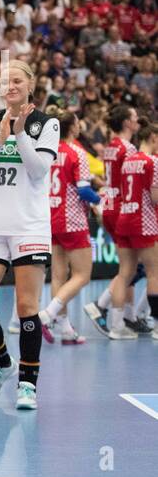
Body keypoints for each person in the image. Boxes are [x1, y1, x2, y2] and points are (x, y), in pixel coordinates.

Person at [0, 60, 59, 410]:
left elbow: (38, 172)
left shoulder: (47, 123)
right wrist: (0, 139)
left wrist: (20, 134)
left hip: (29, 227)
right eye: (6, 82)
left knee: (26, 307)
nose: (11, 86)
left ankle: (28, 384)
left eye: (17, 80)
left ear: (30, 84)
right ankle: (3, 363)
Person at [40, 107, 96, 344]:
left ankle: (65, 330)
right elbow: (83, 190)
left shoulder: (47, 150)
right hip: (72, 219)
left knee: (58, 275)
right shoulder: (77, 152)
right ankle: (48, 314)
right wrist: (101, 199)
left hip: (49, 217)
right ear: (73, 127)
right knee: (83, 275)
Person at [85, 104, 140, 336]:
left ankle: (127, 315)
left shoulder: (110, 147)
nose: (137, 120)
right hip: (121, 207)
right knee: (130, 267)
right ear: (127, 123)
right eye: (135, 117)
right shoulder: (127, 149)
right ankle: (103, 306)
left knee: (130, 265)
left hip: (109, 205)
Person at [112, 123, 158, 339]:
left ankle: (116, 325)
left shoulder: (129, 160)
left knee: (125, 273)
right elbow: (156, 198)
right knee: (154, 273)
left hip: (124, 217)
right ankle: (157, 325)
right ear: (153, 138)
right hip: (144, 221)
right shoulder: (153, 162)